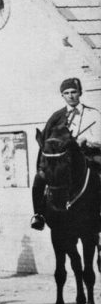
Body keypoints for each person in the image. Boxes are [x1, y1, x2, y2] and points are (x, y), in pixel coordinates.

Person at [31, 77, 101, 230]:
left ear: (80, 93)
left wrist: (87, 141)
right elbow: (46, 140)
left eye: (74, 92)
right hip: (63, 160)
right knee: (39, 178)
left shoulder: (93, 114)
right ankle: (38, 215)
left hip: (89, 156)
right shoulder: (56, 117)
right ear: (62, 95)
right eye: (66, 93)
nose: (70, 96)